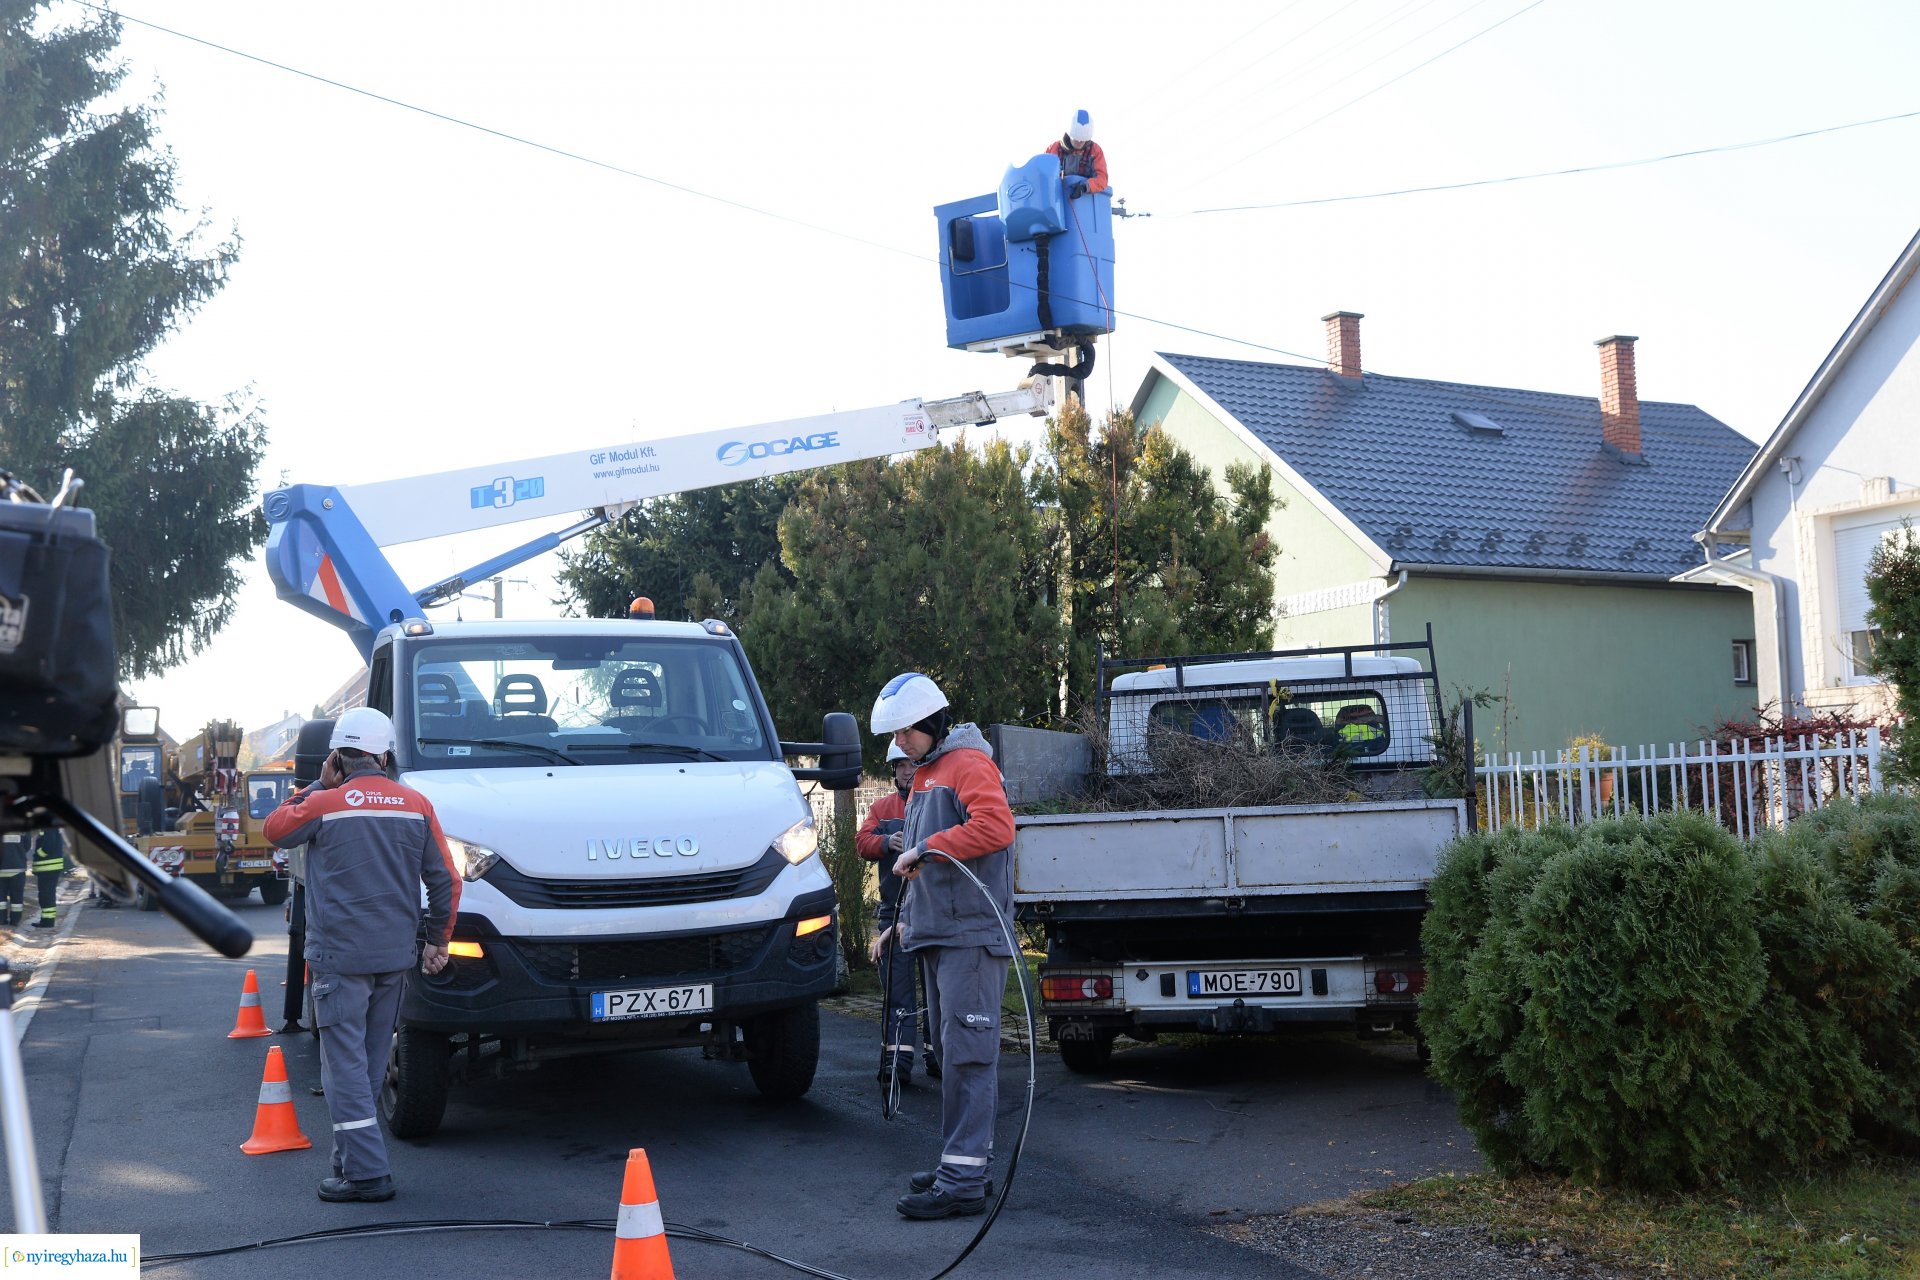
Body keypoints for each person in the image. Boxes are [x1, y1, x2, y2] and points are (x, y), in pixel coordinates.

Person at [264, 707, 460, 1204]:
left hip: (339, 959)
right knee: (368, 1066)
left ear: (338, 757)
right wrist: (438, 941)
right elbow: (446, 880)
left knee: (344, 1068)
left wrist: (316, 784)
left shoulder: (324, 803)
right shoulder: (417, 804)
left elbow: (275, 828)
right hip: (393, 957)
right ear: (384, 756)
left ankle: (368, 1174)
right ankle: (348, 1165)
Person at [868, 672, 1016, 1220]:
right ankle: (964, 1163)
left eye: (906, 732)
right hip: (935, 935)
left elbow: (996, 827)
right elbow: (921, 873)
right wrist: (900, 924)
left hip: (969, 938)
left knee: (968, 1058)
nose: (900, 743)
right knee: (954, 1057)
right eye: (896, 734)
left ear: (931, 722)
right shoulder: (929, 774)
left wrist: (927, 847)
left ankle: (962, 1180)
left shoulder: (968, 765)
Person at [858, 742, 939, 1086]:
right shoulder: (883, 808)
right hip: (893, 914)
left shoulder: (936, 802)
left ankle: (938, 1058)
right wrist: (884, 842)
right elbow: (862, 842)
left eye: (912, 764)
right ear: (893, 770)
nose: (908, 770)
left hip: (932, 912)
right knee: (899, 995)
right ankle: (897, 1064)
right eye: (901, 765)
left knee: (938, 993)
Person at [1046, 108, 1108, 199]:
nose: (1079, 142)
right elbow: (1042, 174)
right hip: (1056, 199)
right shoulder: (1053, 149)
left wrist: (1085, 186)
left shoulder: (1095, 151)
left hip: (1084, 202)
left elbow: (1102, 179)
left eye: (1082, 140)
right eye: (1076, 138)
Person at [30, 827, 66, 929]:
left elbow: (49, 845)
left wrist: (38, 854)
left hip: (48, 868)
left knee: (46, 895)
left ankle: (48, 921)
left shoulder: (49, 828)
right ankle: (46, 920)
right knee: (46, 895)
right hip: (48, 869)